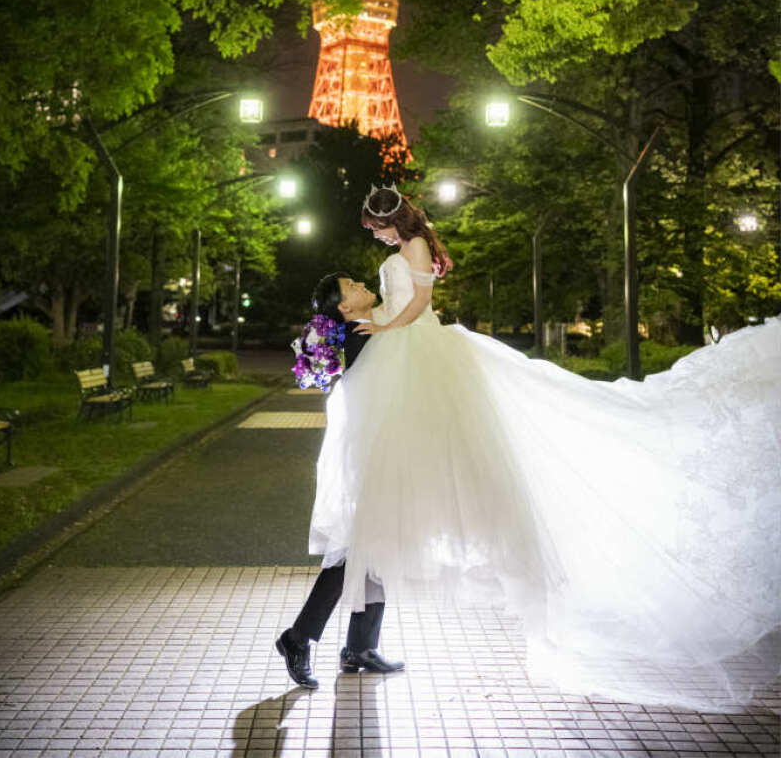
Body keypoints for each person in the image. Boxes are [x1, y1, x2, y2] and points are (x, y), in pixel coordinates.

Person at [307, 183, 781, 712]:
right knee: (398, 488)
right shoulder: (401, 252)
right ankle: (360, 640)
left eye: (378, 226)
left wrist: (386, 326)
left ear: (394, 220)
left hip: (416, 350)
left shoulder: (412, 249)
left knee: (416, 477)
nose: (377, 235)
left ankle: (355, 638)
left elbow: (419, 302)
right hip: (402, 357)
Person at [275, 271, 404, 690]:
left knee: (375, 547)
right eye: (352, 287)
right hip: (369, 455)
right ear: (345, 309)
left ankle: (360, 647)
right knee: (351, 551)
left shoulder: (368, 330)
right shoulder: (364, 337)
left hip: (376, 450)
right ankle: (299, 638)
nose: (363, 285)